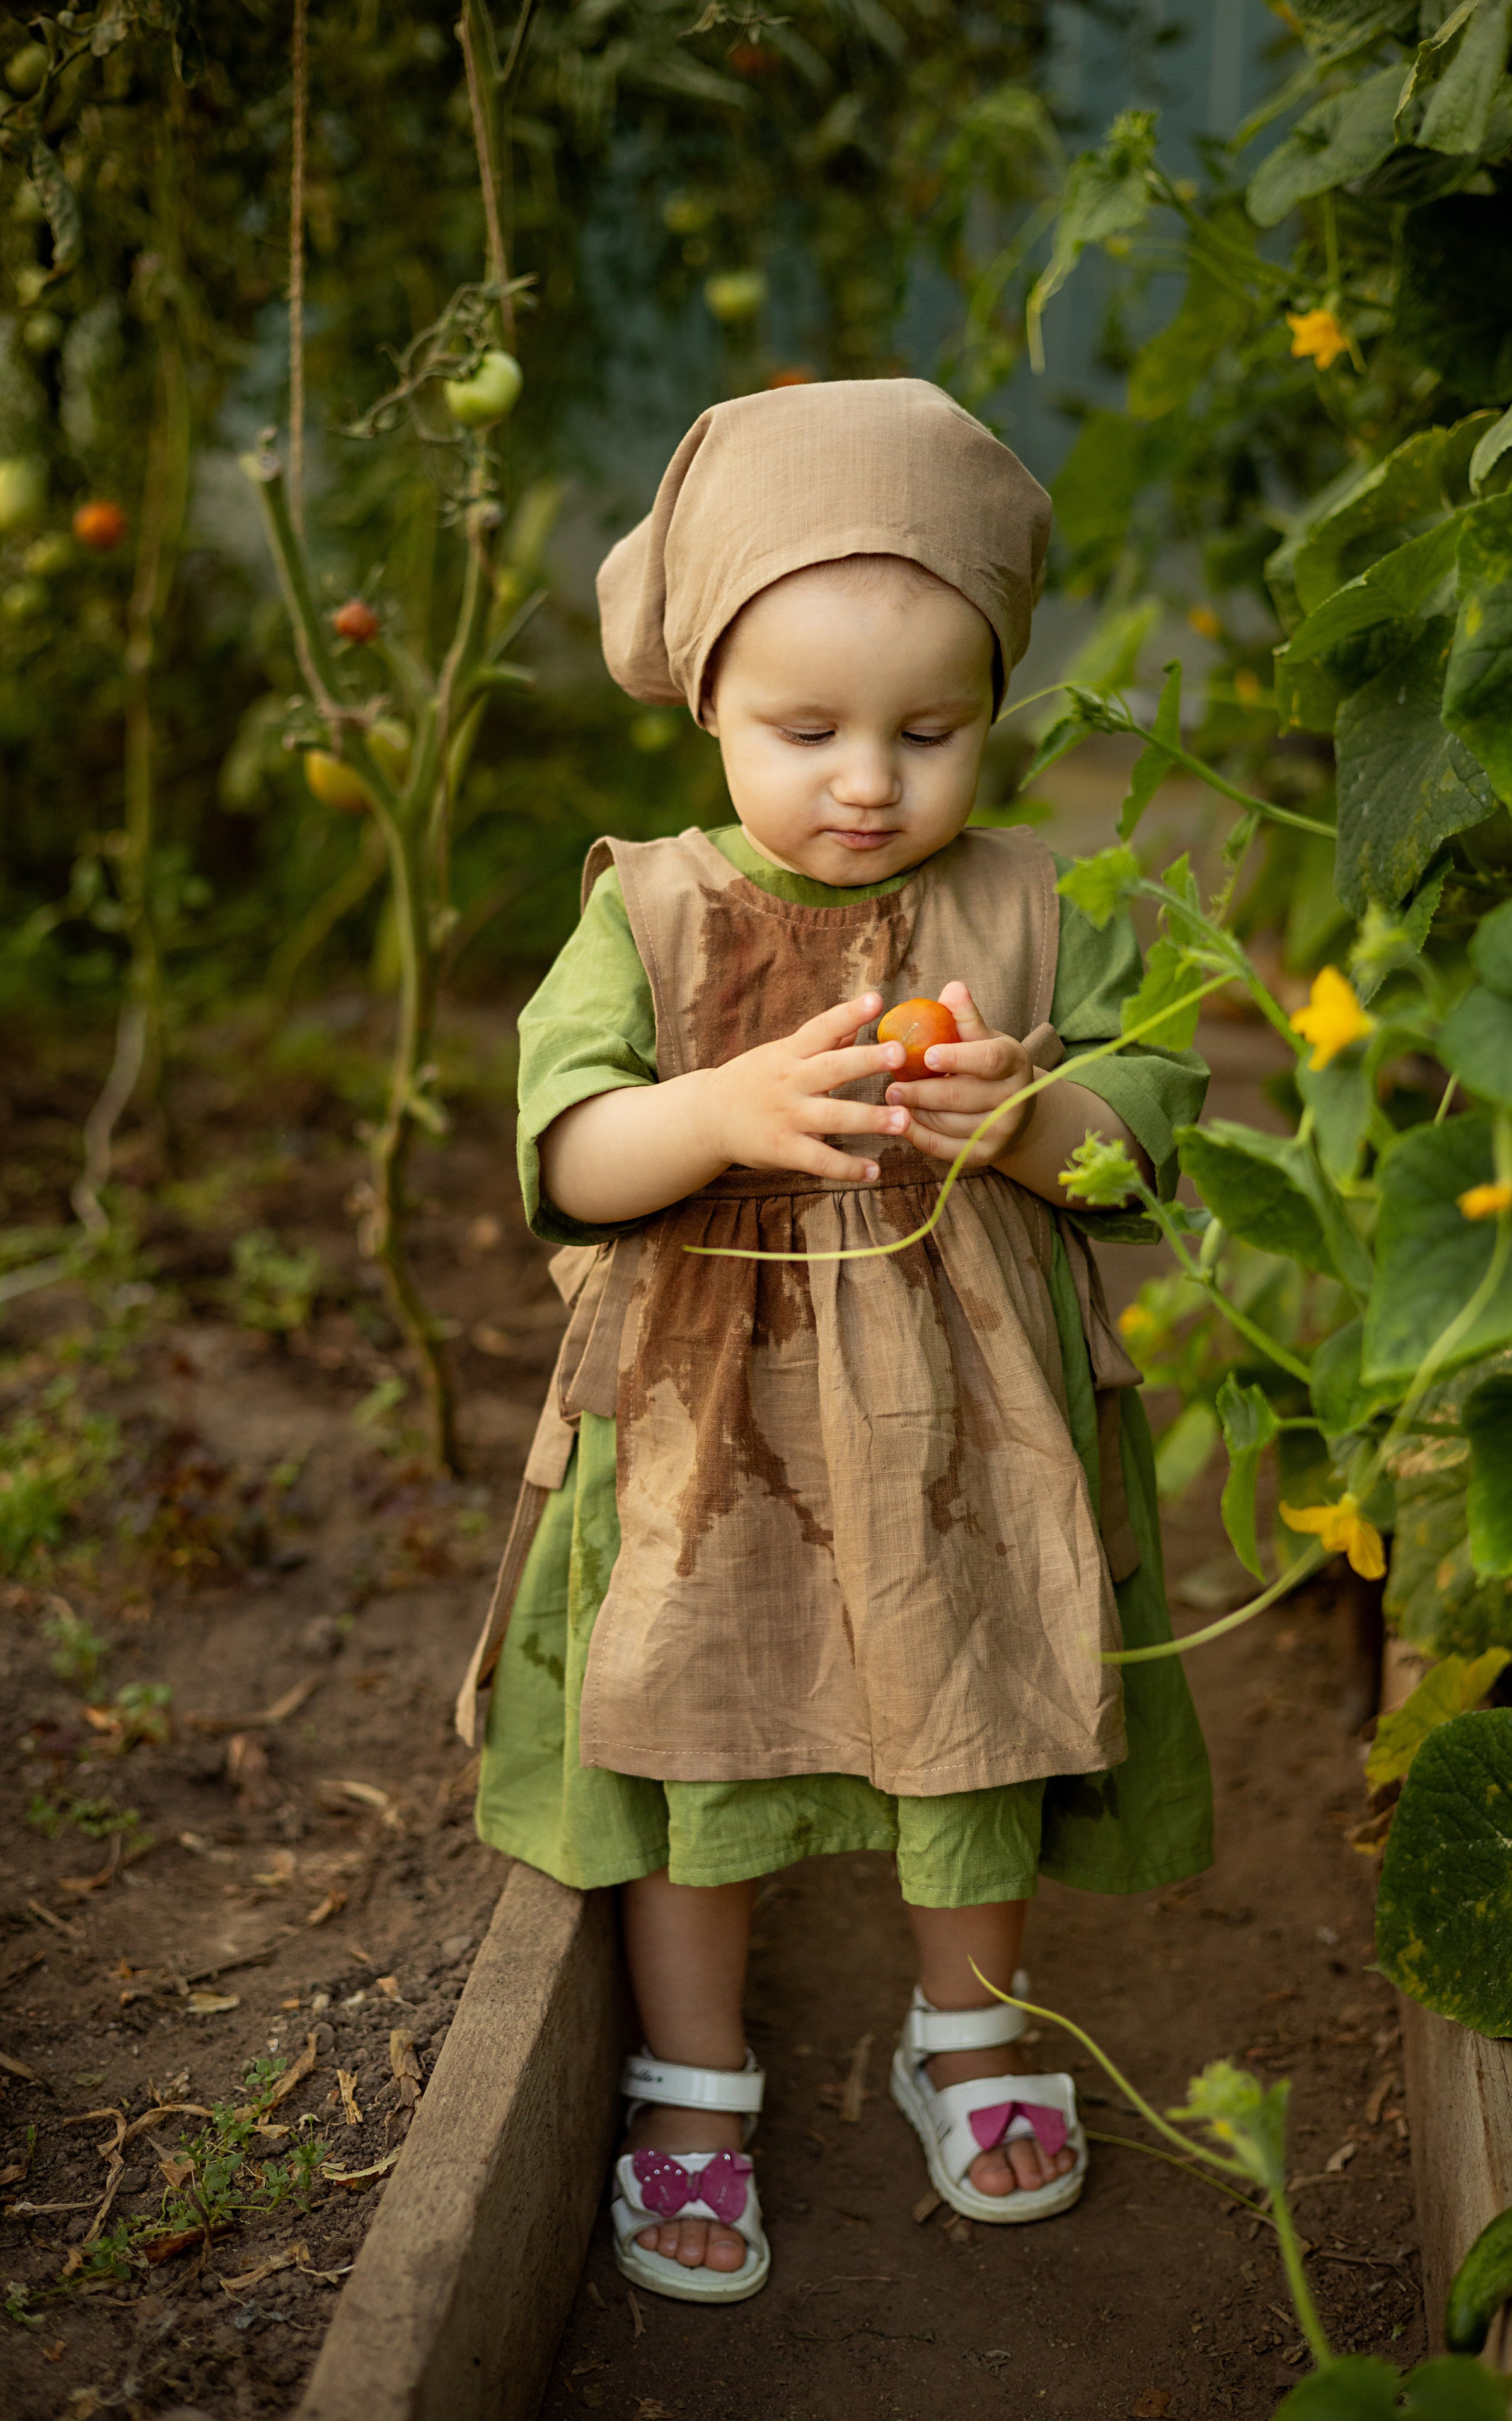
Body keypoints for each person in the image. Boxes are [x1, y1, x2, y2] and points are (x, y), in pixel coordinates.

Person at [459, 378, 1211, 2306]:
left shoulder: (1034, 906)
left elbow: (1153, 1135)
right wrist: (709, 1115)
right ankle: (692, 2081)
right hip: (715, 1450)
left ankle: (967, 2032)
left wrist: (1041, 1123)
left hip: (969, 1436)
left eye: (929, 730)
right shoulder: (654, 909)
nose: (867, 781)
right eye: (805, 730)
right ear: (707, 698)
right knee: (701, 1728)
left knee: (969, 1712)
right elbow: (568, 1151)